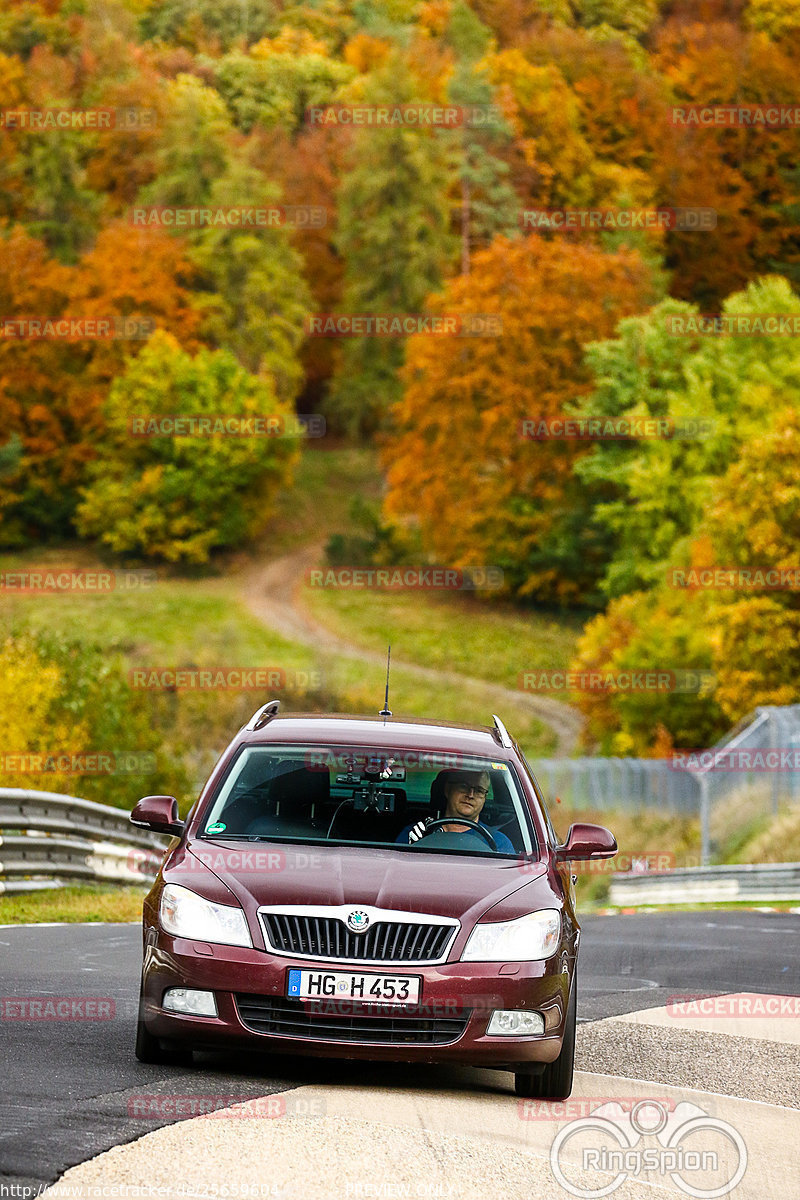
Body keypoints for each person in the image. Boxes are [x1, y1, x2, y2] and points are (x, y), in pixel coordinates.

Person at [396, 768, 515, 853]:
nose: (471, 795)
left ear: (484, 798)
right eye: (464, 786)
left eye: (479, 790)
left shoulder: (499, 843)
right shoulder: (415, 834)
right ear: (448, 789)